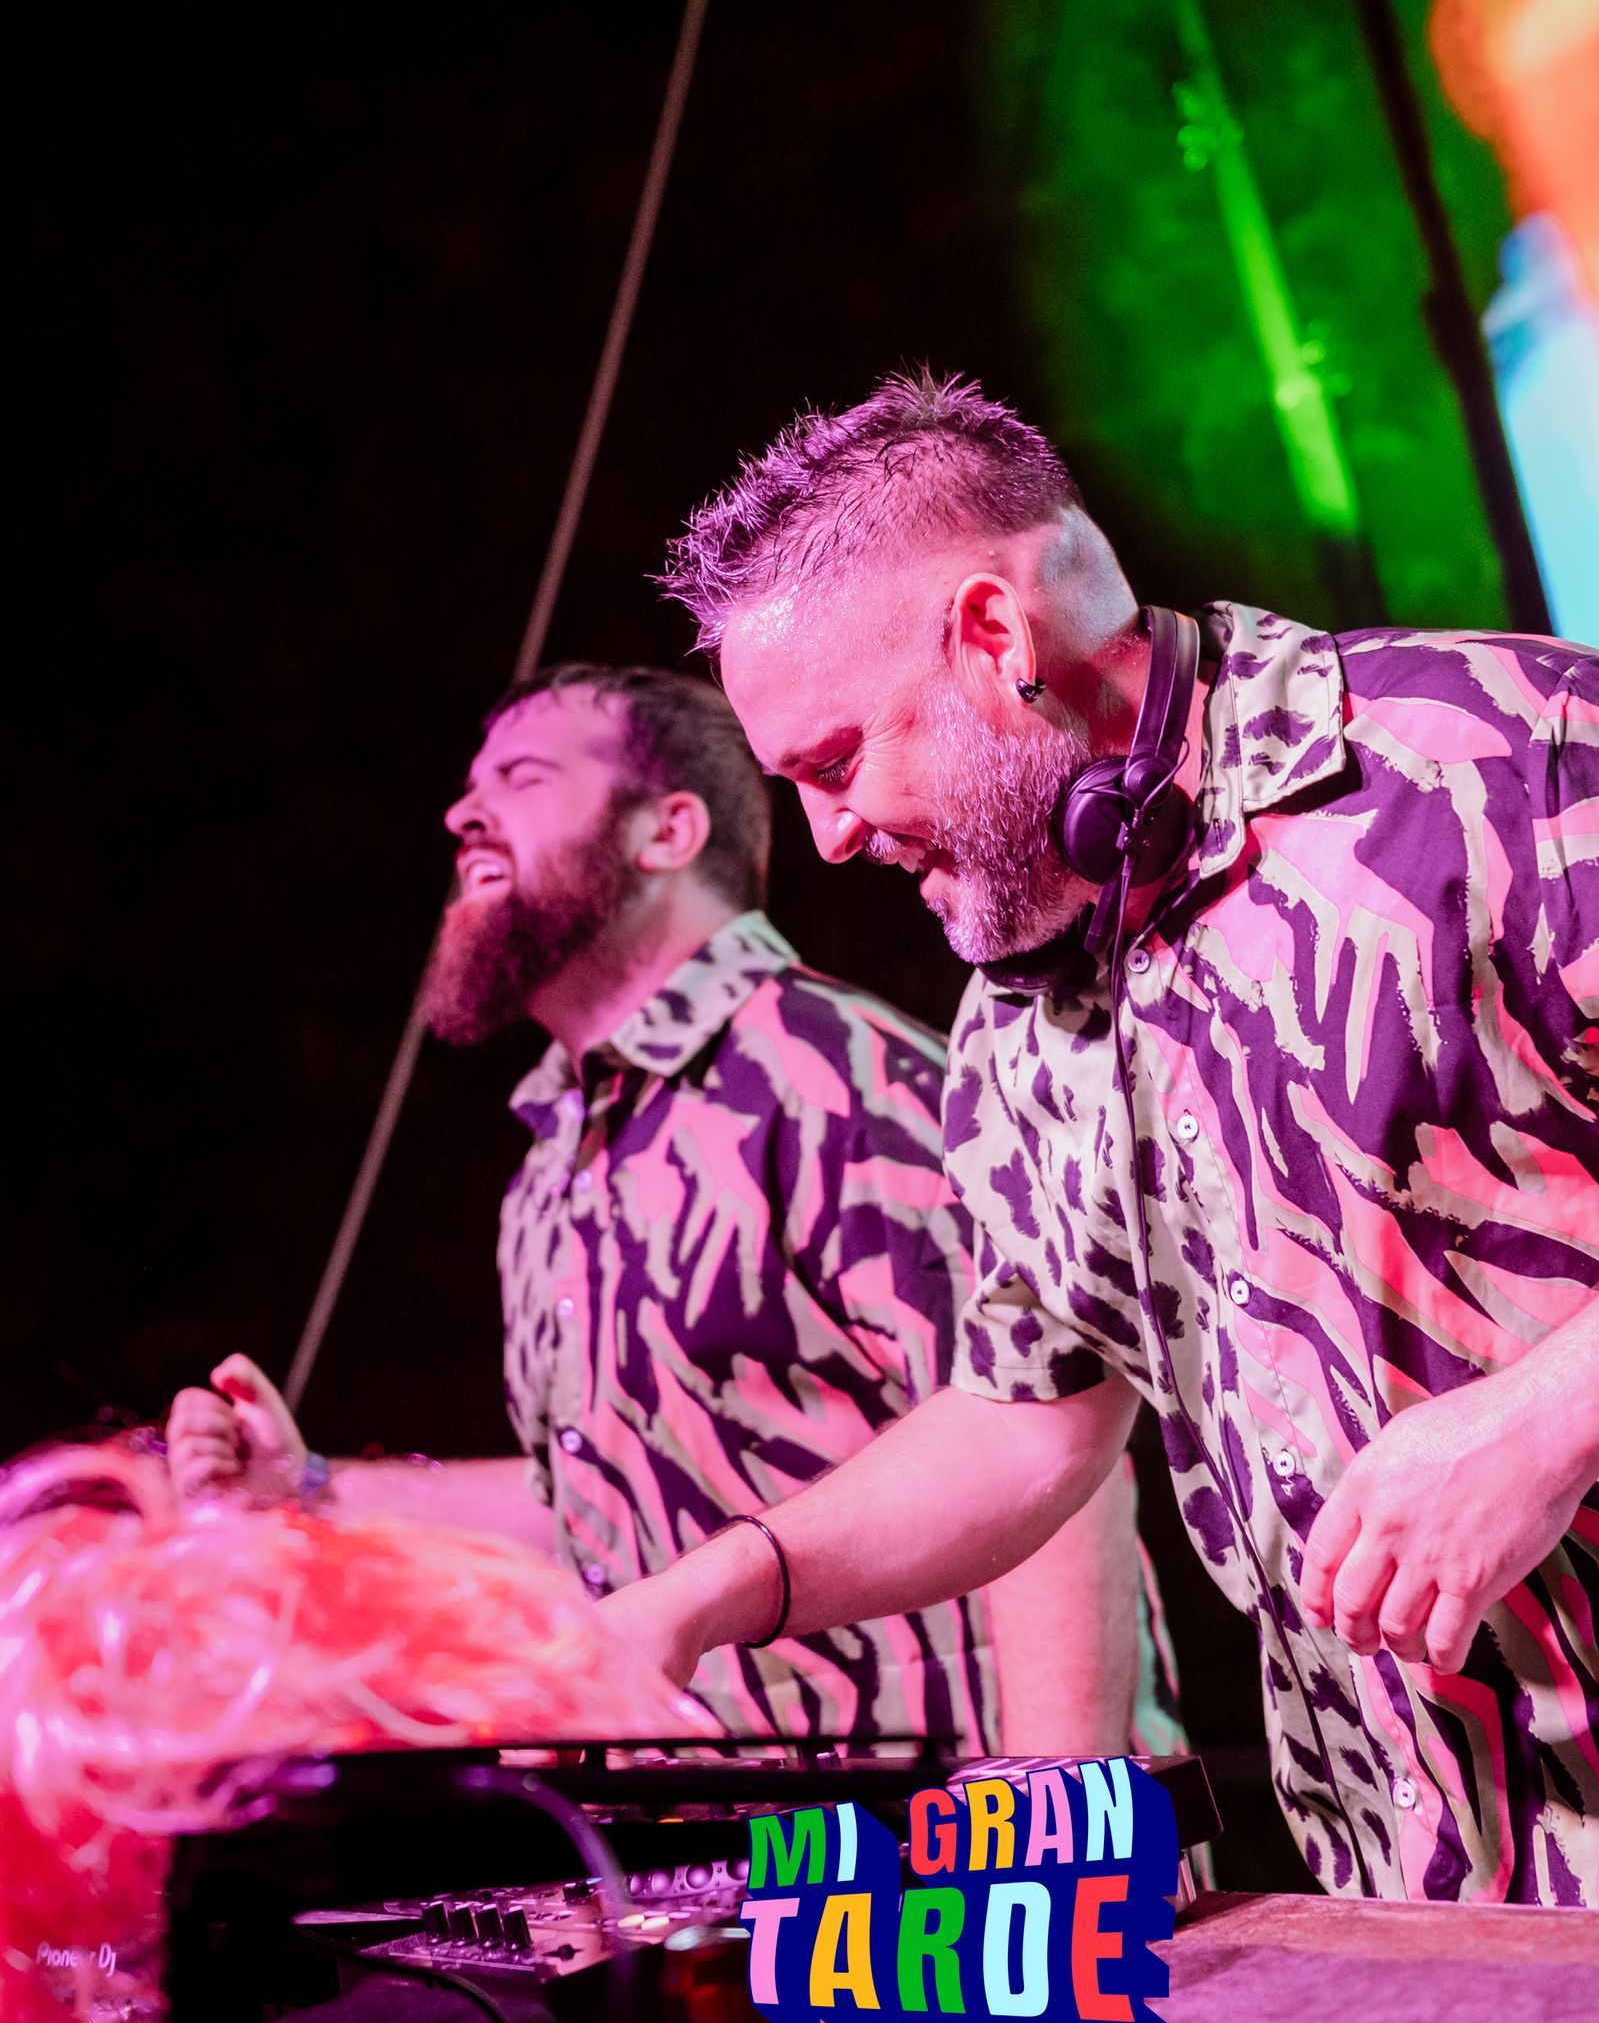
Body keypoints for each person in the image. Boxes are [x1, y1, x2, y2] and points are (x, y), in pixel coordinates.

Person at [604, 370, 1599, 1918]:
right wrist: (704, 1596)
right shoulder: (1014, 1023)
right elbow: (1030, 1425)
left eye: (836, 762)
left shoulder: (1498, 746)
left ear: (994, 637)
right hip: (1439, 1905)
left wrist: (1552, 1417)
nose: (827, 837)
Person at [167, 664, 1180, 1758]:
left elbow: (1046, 1463)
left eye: (520, 775)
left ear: (668, 832)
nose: (463, 811)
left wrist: (1053, 1850)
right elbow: (596, 1511)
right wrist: (311, 1489)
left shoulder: (842, 1082)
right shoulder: (556, 1164)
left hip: (938, 1869)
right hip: (741, 1866)